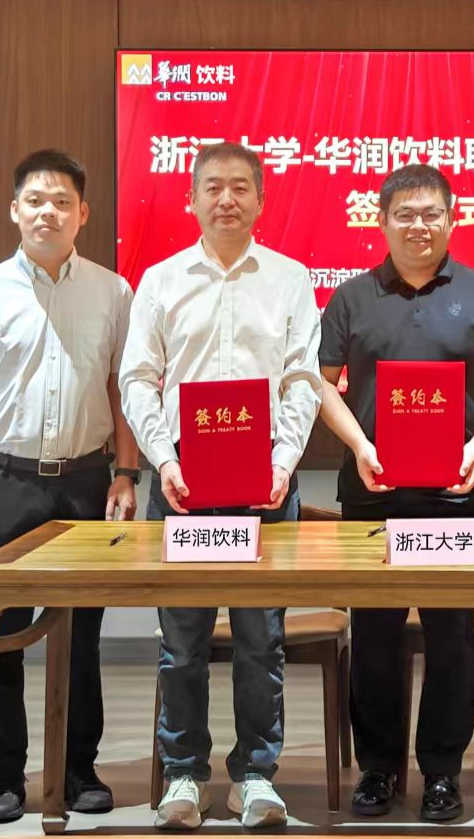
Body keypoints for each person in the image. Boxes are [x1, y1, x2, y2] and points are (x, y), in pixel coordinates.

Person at [317, 164, 474, 823]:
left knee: (451, 637)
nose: (418, 225)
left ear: (452, 218)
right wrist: (360, 444)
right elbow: (321, 382)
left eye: (431, 213)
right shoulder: (351, 297)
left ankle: (442, 771)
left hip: (454, 493)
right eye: (404, 214)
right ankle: (377, 769)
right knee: (373, 636)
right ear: (381, 221)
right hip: (372, 492)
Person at [121, 143, 322, 830]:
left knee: (262, 641)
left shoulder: (291, 279)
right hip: (182, 482)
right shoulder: (160, 280)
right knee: (181, 641)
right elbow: (138, 379)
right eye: (212, 187)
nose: (226, 199)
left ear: (262, 200)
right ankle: (183, 774)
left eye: (240, 187)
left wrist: (283, 462)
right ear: (191, 199)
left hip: (266, 484)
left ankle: (256, 777)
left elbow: (302, 379)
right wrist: (163, 459)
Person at [0, 149, 139, 824]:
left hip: (85, 482)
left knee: (82, 635)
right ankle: (4, 776)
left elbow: (122, 390)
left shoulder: (113, 292)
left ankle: (79, 770)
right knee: (1, 633)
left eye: (61, 201)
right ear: (14, 210)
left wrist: (125, 472)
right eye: (34, 200)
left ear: (84, 213)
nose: (47, 212)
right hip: (5, 481)